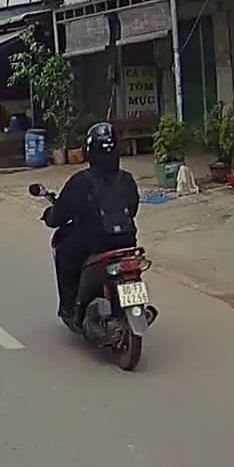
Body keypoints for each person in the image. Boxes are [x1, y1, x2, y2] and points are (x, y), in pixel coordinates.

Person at [41, 122, 140, 323]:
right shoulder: (127, 179)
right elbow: (133, 209)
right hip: (126, 241)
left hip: (94, 244)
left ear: (90, 151)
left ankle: (69, 308)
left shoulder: (81, 181)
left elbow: (59, 215)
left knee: (64, 252)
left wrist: (49, 216)